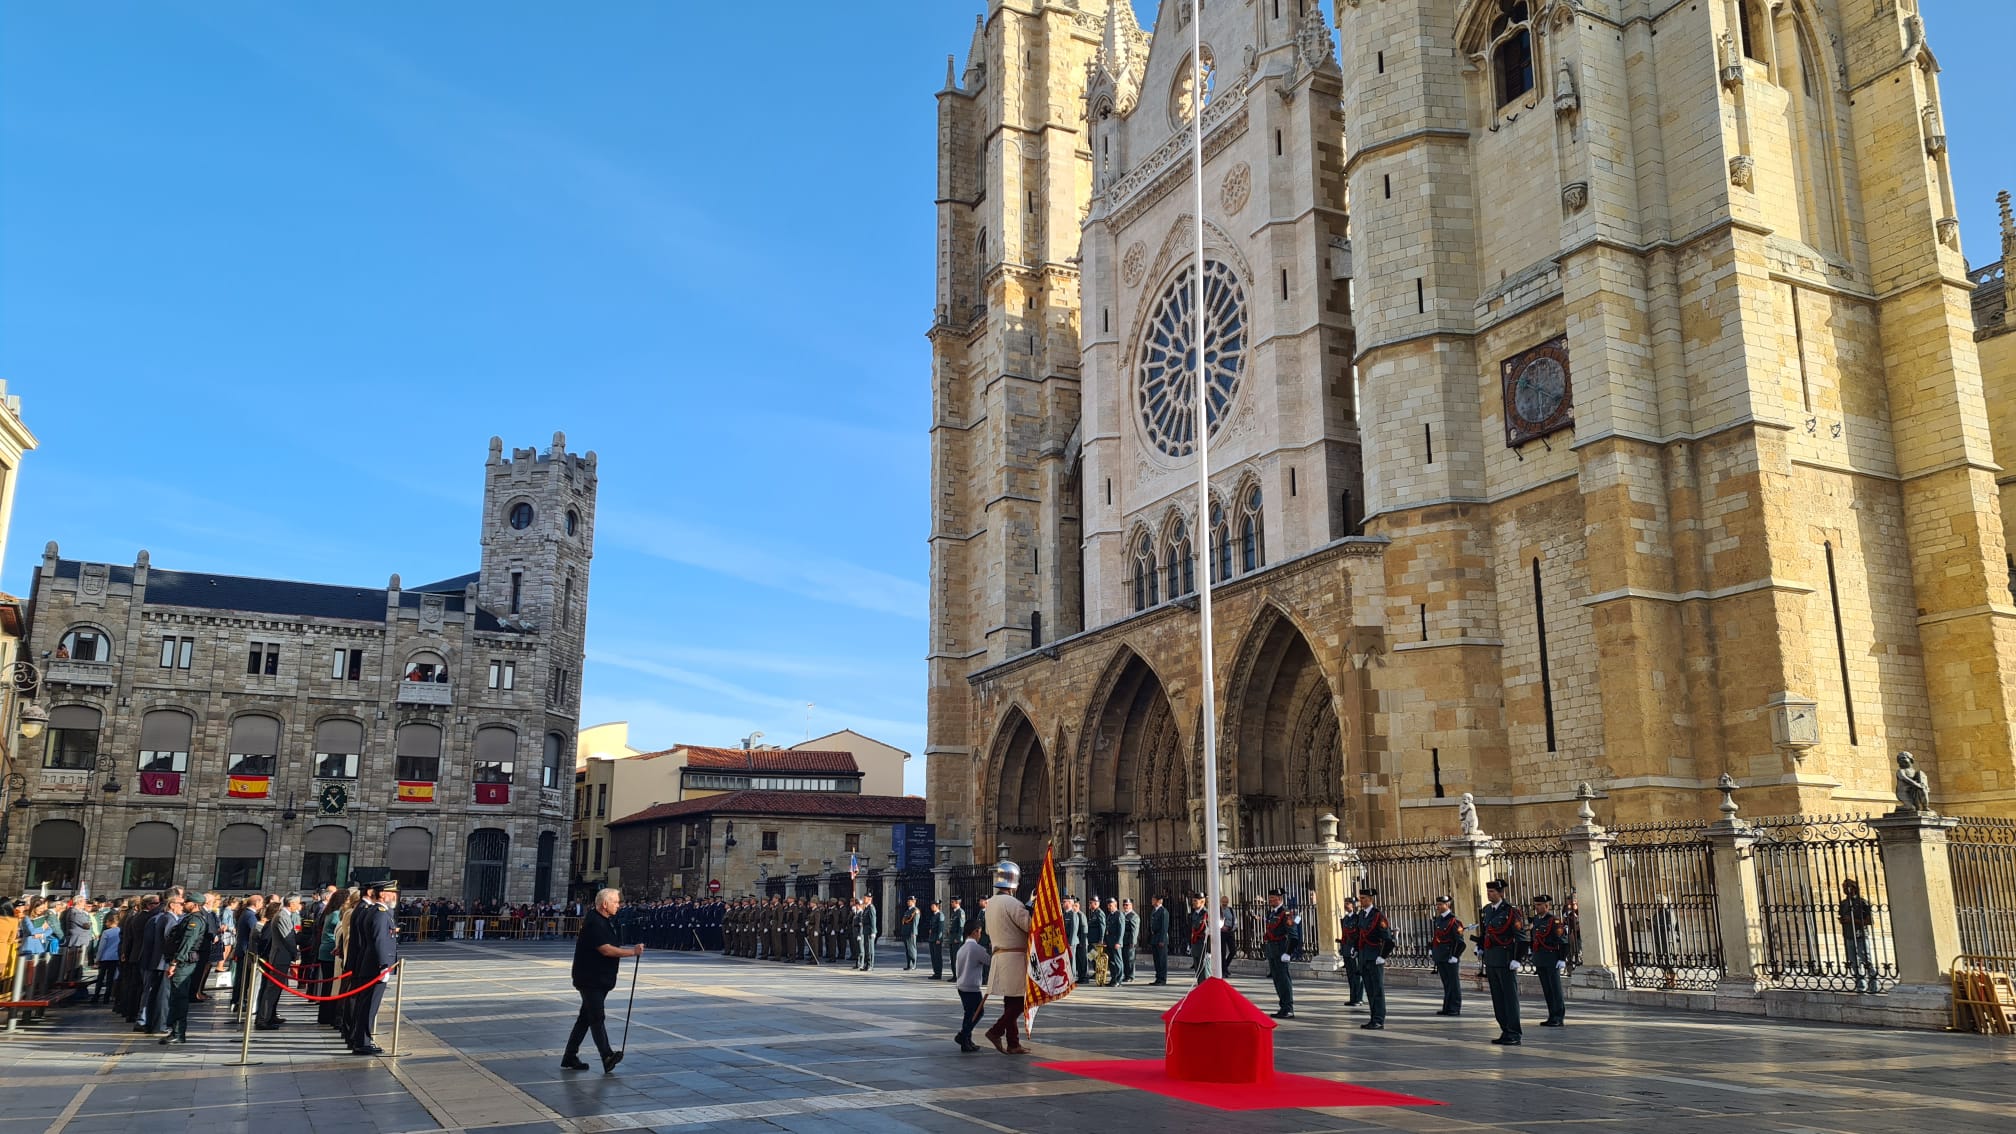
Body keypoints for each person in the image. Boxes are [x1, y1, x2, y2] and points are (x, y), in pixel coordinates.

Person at [563, 888, 642, 1074]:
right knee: (597, 1017)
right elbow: (606, 949)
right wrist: (633, 952)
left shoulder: (603, 920)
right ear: (605, 904)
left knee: (585, 1019)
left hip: (597, 978)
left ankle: (569, 1055)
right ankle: (606, 1056)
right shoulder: (594, 923)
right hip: (591, 979)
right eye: (615, 902)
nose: (618, 905)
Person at [981, 860, 1031, 1055]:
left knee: (1010, 1001)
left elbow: (988, 929)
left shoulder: (991, 903)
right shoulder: (1013, 903)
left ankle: (1013, 1042)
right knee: (1019, 1001)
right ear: (1014, 884)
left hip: (999, 956)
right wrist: (1031, 909)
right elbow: (1029, 926)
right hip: (1014, 958)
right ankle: (996, 1031)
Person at [347, 880, 399, 1056]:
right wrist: (384, 965)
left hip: (369, 964)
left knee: (366, 1004)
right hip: (374, 966)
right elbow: (379, 941)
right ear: (382, 894)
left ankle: (360, 1039)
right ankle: (363, 1042)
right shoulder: (380, 913)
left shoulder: (375, 911)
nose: (395, 896)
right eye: (392, 893)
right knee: (369, 1006)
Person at [1475, 878, 1525, 1046]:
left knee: (1509, 998)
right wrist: (1480, 946)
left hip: (1505, 960)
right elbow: (1486, 932)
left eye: (1493, 892)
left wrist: (1517, 959)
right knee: (1497, 998)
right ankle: (1505, 1029)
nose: (1489, 894)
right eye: (1488, 891)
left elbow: (1521, 938)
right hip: (1491, 959)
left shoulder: (1511, 912)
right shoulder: (1487, 910)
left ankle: (1514, 1032)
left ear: (1501, 893)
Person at [158, 897, 212, 1045]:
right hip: (183, 961)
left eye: (186, 902)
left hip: (184, 963)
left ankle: (178, 1032)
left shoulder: (195, 921)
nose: (183, 905)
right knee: (176, 997)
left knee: (179, 997)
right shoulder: (191, 918)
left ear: (194, 904)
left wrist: (175, 962)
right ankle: (175, 1030)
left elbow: (187, 943)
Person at [256, 899, 298, 1030]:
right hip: (280, 956)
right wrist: (295, 953)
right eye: (298, 903)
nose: (299, 905)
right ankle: (263, 1019)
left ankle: (270, 1015)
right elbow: (288, 938)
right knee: (272, 989)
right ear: (291, 903)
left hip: (280, 956)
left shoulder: (282, 915)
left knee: (275, 989)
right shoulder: (282, 916)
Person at [1355, 888, 1393, 1029]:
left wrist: (1382, 956)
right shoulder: (1362, 915)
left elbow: (1388, 939)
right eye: (1361, 898)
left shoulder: (1378, 916)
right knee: (1369, 990)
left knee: (1377, 989)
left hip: (1375, 956)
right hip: (1364, 956)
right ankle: (1373, 1017)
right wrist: (1355, 948)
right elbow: (1359, 934)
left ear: (1371, 899)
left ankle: (1378, 1019)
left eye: (1364, 898)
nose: (1361, 900)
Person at [1530, 894, 1570, 1027]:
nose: (1536, 907)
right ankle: (1552, 1015)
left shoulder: (1554, 921)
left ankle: (1558, 1016)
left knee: (1555, 989)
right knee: (1547, 989)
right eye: (1535, 905)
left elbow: (1563, 941)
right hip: (1540, 959)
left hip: (1552, 958)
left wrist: (1562, 958)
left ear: (1547, 906)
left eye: (1539, 905)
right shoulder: (1536, 920)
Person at [1261, 888, 1299, 1019]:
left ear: (1280, 898)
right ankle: (1283, 1006)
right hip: (1272, 950)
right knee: (1277, 979)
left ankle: (1288, 1008)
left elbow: (1294, 935)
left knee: (1284, 979)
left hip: (1282, 948)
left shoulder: (1286, 913)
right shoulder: (1271, 913)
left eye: (1274, 898)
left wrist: (1288, 953)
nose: (1271, 900)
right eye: (1270, 898)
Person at [952, 921, 989, 1053]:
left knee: (969, 1014)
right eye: (979, 932)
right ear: (974, 932)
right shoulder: (976, 949)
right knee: (978, 1013)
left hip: (961, 985)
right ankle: (963, 1035)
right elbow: (989, 960)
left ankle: (967, 1041)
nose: (980, 935)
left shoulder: (962, 948)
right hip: (972, 986)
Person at [1839, 879, 1878, 995]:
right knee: (1853, 962)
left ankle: (1873, 984)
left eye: (1848, 887)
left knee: (1866, 960)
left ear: (1854, 888)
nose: (1846, 890)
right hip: (1849, 935)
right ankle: (1860, 985)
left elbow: (1869, 921)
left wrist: (1852, 920)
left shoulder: (1862, 902)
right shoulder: (1843, 903)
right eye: (1844, 887)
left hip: (1861, 935)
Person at [1428, 895, 1465, 1016]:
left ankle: (1454, 1008)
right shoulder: (1439, 920)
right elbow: (1436, 937)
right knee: (1446, 983)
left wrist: (1455, 956)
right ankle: (1447, 1007)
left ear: (1447, 905)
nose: (1438, 907)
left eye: (1440, 904)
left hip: (1450, 957)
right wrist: (1432, 949)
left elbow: (1460, 942)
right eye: (1437, 904)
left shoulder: (1454, 921)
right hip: (1440, 955)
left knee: (1453, 983)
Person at [1338, 895, 1365, 1006]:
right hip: (1346, 949)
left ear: (1353, 905)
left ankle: (1359, 998)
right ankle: (1353, 997)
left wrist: (1356, 947)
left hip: (1354, 950)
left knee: (1357, 975)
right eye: (1345, 903)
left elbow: (1359, 935)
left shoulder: (1358, 918)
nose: (1346, 905)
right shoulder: (1345, 919)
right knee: (1350, 975)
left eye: (1348, 903)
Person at [92, 912, 122, 1004]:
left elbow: (101, 947)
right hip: (116, 957)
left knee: (101, 977)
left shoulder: (106, 932)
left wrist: (97, 959)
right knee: (110, 978)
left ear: (110, 921)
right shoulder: (121, 931)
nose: (105, 924)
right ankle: (107, 997)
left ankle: (96, 996)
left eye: (106, 922)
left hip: (105, 957)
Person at [940, 898, 966, 981]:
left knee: (956, 958)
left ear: (957, 902)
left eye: (952, 902)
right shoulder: (955, 912)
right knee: (952, 958)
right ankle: (955, 975)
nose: (951, 903)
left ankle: (958, 975)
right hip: (952, 938)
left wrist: (958, 938)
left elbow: (961, 927)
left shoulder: (960, 912)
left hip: (956, 939)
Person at [1187, 893, 1210, 984]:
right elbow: (1189, 930)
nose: (1193, 903)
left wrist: (1209, 950)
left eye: (1195, 901)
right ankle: (1200, 986)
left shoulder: (1206, 914)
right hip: (1195, 943)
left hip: (1203, 944)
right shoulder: (1193, 915)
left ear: (1202, 901)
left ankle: (1205, 988)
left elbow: (1207, 931)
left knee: (1204, 969)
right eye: (1193, 901)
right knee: (1197, 968)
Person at [1147, 895, 1170, 985]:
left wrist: (1162, 940)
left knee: (1162, 960)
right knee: (1156, 960)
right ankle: (1158, 977)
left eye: (1154, 900)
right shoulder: (1154, 911)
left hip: (1160, 938)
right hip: (1154, 938)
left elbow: (1164, 927)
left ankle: (1162, 979)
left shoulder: (1163, 912)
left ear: (1159, 901)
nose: (1152, 901)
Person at [1085, 896, 1107, 987]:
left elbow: (1102, 926)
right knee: (1092, 957)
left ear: (1096, 903)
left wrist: (1101, 939)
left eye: (1091, 903)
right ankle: (1096, 972)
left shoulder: (1099, 913)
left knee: (1095, 958)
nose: (1089, 905)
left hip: (1096, 941)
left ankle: (1098, 973)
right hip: (1092, 940)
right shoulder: (1094, 913)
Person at [1101, 898, 1123, 986]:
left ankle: (1118, 980)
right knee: (1111, 962)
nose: (1109, 907)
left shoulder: (1119, 915)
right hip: (1109, 942)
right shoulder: (1110, 915)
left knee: (1118, 961)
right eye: (1108, 905)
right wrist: (1105, 941)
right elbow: (1107, 929)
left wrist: (1119, 942)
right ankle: (1113, 979)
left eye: (1110, 905)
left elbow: (1121, 930)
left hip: (1115, 942)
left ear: (1115, 905)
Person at [1118, 899, 1140, 984]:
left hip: (1129, 940)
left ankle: (1130, 976)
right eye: (1124, 905)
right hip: (1123, 940)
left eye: (1127, 905)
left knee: (1130, 959)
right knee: (1124, 958)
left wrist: (1133, 942)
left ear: (1131, 905)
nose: (1125, 906)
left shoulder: (1133, 916)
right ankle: (1126, 975)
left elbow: (1134, 930)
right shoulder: (1123, 915)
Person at [923, 901, 946, 979]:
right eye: (931, 906)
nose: (931, 907)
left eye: (933, 906)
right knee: (933, 957)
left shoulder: (940, 915)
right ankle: (935, 972)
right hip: (932, 938)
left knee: (937, 957)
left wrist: (939, 938)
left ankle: (938, 973)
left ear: (937, 906)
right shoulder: (934, 915)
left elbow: (941, 928)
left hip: (936, 938)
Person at [855, 896, 879, 971]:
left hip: (869, 931)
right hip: (865, 931)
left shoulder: (871, 908)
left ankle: (870, 965)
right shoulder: (866, 908)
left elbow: (873, 920)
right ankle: (866, 964)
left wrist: (873, 932)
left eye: (865, 898)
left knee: (870, 949)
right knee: (866, 948)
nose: (863, 899)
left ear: (869, 899)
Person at [900, 896, 920, 971]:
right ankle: (909, 964)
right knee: (908, 949)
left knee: (912, 949)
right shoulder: (908, 911)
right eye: (908, 901)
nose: (908, 902)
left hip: (911, 932)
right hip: (906, 932)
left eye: (910, 901)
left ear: (914, 902)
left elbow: (915, 923)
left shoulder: (915, 910)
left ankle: (913, 964)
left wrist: (913, 932)